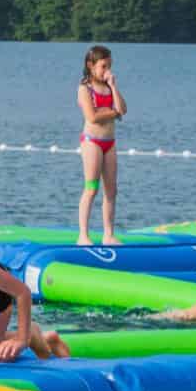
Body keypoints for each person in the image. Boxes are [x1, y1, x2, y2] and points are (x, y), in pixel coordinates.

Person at [75, 45, 126, 247]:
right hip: (92, 142)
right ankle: (83, 235)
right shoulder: (84, 89)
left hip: (109, 142)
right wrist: (114, 113)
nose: (107, 71)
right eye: (104, 66)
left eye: (110, 66)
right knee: (91, 189)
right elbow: (92, 117)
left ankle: (108, 234)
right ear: (91, 65)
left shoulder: (108, 87)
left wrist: (113, 86)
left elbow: (123, 109)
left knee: (111, 190)